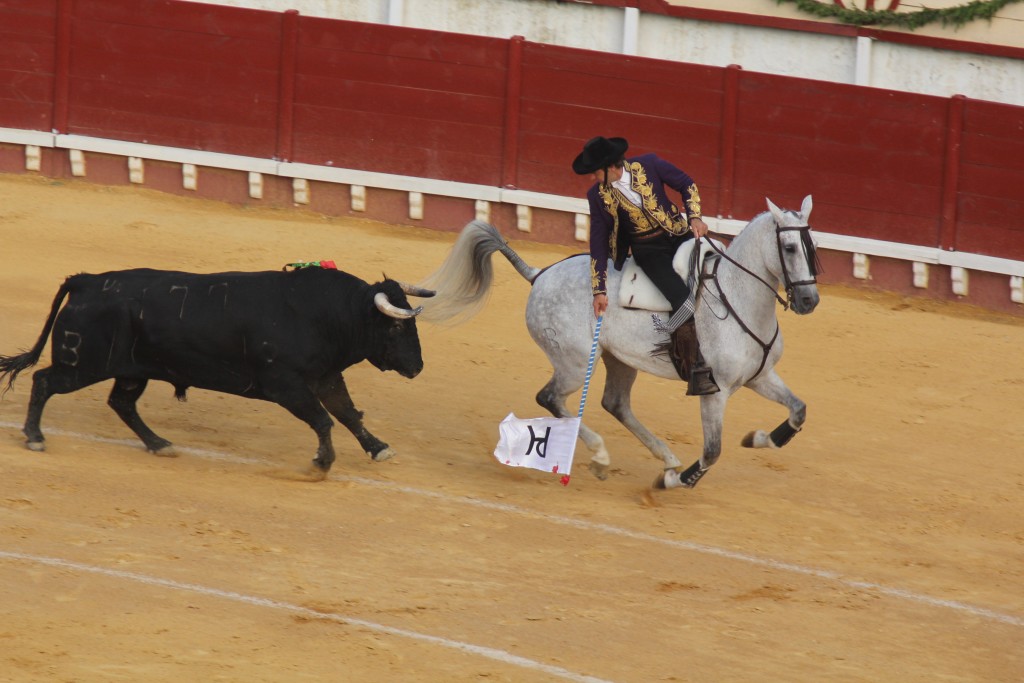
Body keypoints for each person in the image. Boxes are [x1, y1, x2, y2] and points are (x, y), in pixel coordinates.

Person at [572, 135, 719, 396]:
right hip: (649, 252)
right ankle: (695, 370)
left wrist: (695, 217)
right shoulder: (597, 196)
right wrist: (599, 289)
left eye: (596, 171)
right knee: (682, 299)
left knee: (717, 274)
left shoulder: (649, 165)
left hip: (680, 234)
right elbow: (598, 243)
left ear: (611, 166)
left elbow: (686, 183)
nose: (593, 177)